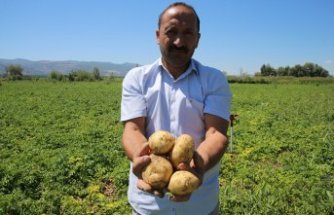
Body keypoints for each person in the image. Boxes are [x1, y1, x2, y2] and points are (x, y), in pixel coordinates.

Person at [121, 2, 232, 214]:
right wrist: (142, 159)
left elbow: (216, 133)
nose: (179, 41)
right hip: (147, 204)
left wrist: (198, 165)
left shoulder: (214, 79)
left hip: (200, 203)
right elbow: (132, 129)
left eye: (188, 33)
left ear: (198, 39)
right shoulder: (137, 78)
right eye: (171, 32)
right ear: (157, 35)